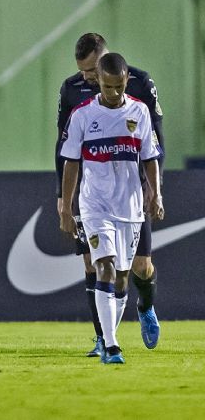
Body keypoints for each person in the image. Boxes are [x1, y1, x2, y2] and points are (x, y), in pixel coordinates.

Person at [56, 33, 164, 356]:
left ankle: (145, 306)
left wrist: (154, 191)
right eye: (86, 73)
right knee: (96, 265)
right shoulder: (75, 96)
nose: (86, 77)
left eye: (92, 70)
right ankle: (107, 341)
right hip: (94, 201)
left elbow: (154, 148)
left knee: (137, 269)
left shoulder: (142, 91)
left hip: (132, 198)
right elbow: (65, 153)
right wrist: (64, 199)